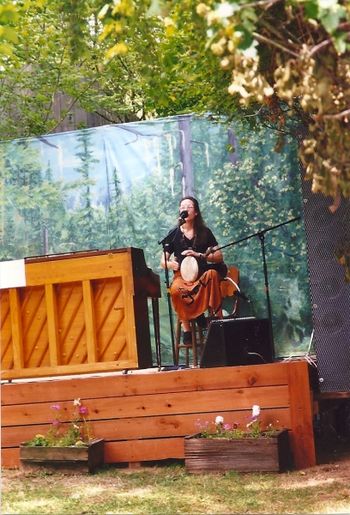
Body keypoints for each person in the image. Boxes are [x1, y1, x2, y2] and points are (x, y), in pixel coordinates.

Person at [161, 196, 227, 345]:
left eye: (189, 206)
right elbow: (162, 261)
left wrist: (200, 255)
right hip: (182, 277)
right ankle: (187, 330)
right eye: (182, 206)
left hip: (202, 274)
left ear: (196, 212)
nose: (184, 209)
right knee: (175, 289)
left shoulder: (205, 232)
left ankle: (217, 322)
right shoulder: (173, 234)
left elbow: (219, 256)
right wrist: (171, 264)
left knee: (213, 274)